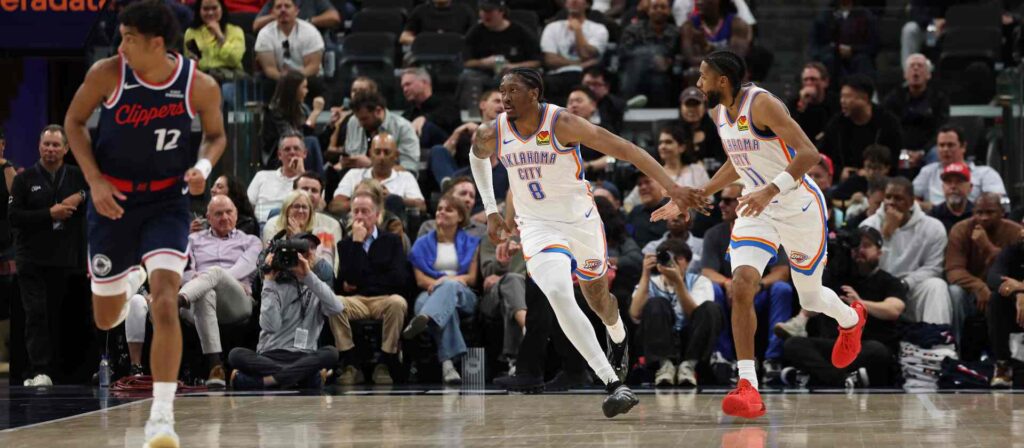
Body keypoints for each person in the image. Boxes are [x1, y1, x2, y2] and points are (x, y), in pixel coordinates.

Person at [470, 67, 708, 417]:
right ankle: (613, 382)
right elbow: (476, 157)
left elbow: (627, 150)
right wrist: (491, 210)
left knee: (598, 299)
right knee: (558, 292)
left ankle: (617, 332)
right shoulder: (492, 131)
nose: (504, 98)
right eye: (501, 91)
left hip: (579, 221)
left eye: (513, 91)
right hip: (537, 225)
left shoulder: (562, 123)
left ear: (534, 93)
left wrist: (673, 188)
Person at [651, 50, 865, 419]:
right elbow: (738, 162)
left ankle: (850, 320)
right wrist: (701, 194)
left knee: (810, 296)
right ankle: (748, 384)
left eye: (703, 76)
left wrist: (771, 189)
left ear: (722, 80)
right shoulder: (720, 112)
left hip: (797, 205)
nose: (698, 83)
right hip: (755, 207)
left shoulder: (762, 104)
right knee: (742, 285)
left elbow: (809, 154)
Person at [63, 1, 226, 445]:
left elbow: (215, 136)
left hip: (166, 201)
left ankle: (162, 416)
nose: (120, 47)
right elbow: (74, 122)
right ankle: (132, 274)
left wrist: (203, 168)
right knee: (106, 318)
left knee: (166, 302)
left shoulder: (199, 84)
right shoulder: (108, 73)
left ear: (156, 44)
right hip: (113, 201)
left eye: (128, 39)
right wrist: (94, 181)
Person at [127, 195, 261, 386]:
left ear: (237, 214)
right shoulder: (192, 240)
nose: (224, 217)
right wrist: (203, 282)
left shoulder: (251, 241)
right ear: (208, 217)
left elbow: (244, 267)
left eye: (229, 212)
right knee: (206, 293)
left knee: (215, 272)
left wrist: (213, 277)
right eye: (218, 214)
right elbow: (184, 272)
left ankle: (176, 302)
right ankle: (215, 368)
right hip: (197, 299)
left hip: (236, 301)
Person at [9, 125, 89, 387]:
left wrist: (80, 195)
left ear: (66, 148)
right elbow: (14, 217)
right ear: (39, 146)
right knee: (36, 314)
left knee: (65, 316)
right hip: (32, 259)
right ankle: (38, 370)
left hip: (68, 259)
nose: (50, 149)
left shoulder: (77, 176)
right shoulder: (24, 179)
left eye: (56, 145)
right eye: (46, 144)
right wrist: (49, 214)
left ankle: (67, 372)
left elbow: (94, 191)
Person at [783, 227, 906, 388]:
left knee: (878, 351)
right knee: (793, 344)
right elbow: (811, 307)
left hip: (865, 345)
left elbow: (894, 310)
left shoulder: (889, 281)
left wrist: (860, 303)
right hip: (833, 345)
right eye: (855, 246)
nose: (860, 251)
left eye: (866, 245)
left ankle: (818, 376)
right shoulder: (837, 277)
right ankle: (845, 380)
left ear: (879, 252)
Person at [228, 234, 342, 389]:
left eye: (310, 250)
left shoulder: (316, 286)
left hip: (304, 356)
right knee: (235, 354)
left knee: (331, 352)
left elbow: (337, 308)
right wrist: (268, 282)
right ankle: (301, 379)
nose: (306, 255)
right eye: (300, 252)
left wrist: (308, 276)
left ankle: (267, 381)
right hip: (270, 356)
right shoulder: (272, 285)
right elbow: (271, 326)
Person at [330, 191, 410, 385]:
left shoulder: (391, 240)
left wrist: (363, 281)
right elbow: (346, 282)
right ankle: (351, 363)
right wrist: (357, 243)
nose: (359, 216)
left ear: (377, 215)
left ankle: (384, 362)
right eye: (356, 211)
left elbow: (398, 278)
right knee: (333, 302)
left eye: (365, 211)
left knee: (398, 302)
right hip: (357, 301)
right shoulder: (345, 244)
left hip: (384, 299)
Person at [403, 193, 481, 385]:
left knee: (448, 287)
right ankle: (448, 365)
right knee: (446, 310)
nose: (441, 212)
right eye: (439, 209)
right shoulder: (422, 243)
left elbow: (471, 278)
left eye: (448, 210)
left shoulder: (471, 242)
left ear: (460, 217)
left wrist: (446, 281)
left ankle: (425, 317)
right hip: (429, 291)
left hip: (463, 293)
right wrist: (438, 285)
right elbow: (420, 279)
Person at [859, 177, 952, 325]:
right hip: (880, 288)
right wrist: (886, 234)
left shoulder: (933, 227)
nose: (891, 202)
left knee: (936, 285)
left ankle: (938, 336)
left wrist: (904, 283)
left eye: (898, 198)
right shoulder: (869, 225)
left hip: (913, 286)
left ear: (911, 201)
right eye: (888, 197)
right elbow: (867, 266)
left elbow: (933, 268)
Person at [631, 238, 721, 386]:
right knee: (656, 303)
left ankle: (689, 367)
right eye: (668, 257)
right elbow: (635, 313)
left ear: (688, 262)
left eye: (678, 258)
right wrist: (645, 274)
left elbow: (697, 316)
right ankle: (664, 366)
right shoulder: (651, 282)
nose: (672, 262)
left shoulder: (700, 281)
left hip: (690, 341)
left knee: (711, 309)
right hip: (659, 342)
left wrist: (678, 282)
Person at [945, 193, 1022, 345]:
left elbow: (1013, 268)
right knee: (954, 292)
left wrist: (987, 247)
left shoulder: (1015, 232)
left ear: (1002, 212)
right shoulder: (961, 230)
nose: (984, 217)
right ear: (973, 213)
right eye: (979, 213)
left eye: (990, 212)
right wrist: (978, 286)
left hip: (1004, 291)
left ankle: (1007, 353)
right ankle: (955, 346)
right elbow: (953, 270)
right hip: (970, 291)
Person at [819, 75, 902, 179]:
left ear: (865, 98)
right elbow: (822, 156)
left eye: (848, 96)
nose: (842, 101)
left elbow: (894, 159)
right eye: (842, 97)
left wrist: (872, 170)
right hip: (844, 181)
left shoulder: (888, 122)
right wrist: (839, 172)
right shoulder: (837, 123)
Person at [329, 132, 425, 215]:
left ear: (396, 155)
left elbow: (422, 206)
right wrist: (364, 199)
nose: (381, 157)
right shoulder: (353, 175)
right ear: (370, 154)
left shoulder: (406, 177)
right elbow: (334, 206)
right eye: (377, 152)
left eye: (387, 152)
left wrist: (392, 199)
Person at [913, 126, 1006, 211]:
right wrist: (931, 208)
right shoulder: (928, 171)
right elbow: (909, 199)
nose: (945, 149)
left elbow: (996, 201)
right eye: (941, 145)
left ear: (963, 147)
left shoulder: (985, 173)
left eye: (950, 145)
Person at [624, 125, 710, 212]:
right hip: (662, 218)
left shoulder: (697, 169)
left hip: (696, 217)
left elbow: (709, 198)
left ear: (682, 147)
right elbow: (628, 202)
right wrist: (635, 215)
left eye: (668, 142)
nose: (663, 146)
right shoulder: (653, 172)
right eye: (660, 143)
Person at [540, 0, 609, 105]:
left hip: (585, 75)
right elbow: (550, 60)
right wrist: (579, 63)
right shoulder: (552, 27)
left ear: (588, 4)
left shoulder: (599, 29)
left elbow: (585, 54)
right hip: (557, 76)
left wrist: (578, 30)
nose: (574, 1)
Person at [882, 54, 949, 153]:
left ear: (928, 75)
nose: (916, 68)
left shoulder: (939, 99)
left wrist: (923, 151)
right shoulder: (893, 98)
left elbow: (941, 130)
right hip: (900, 148)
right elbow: (888, 129)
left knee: (937, 152)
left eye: (920, 66)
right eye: (912, 66)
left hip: (929, 149)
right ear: (905, 74)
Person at [182, 0, 245, 105]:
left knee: (227, 91)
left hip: (229, 78)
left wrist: (219, 35)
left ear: (222, 9)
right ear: (199, 10)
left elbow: (234, 60)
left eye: (214, 8)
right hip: (203, 78)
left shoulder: (235, 31)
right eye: (206, 9)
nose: (210, 13)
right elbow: (191, 63)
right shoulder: (191, 32)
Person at [260, 71, 325, 172]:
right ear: (294, 89)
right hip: (279, 156)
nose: (307, 91)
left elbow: (313, 139)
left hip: (300, 153)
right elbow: (292, 138)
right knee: (311, 142)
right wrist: (315, 114)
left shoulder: (302, 109)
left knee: (313, 142)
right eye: (304, 87)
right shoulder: (274, 111)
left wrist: (331, 127)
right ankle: (319, 179)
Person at [618, 0, 679, 108]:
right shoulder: (633, 29)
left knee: (659, 80)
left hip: (664, 73)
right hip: (635, 70)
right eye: (655, 7)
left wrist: (670, 62)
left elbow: (677, 54)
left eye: (663, 7)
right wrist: (651, 57)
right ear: (648, 11)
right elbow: (624, 51)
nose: (659, 10)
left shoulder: (674, 32)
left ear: (669, 11)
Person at [341, 92, 421, 174]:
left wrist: (372, 165)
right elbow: (348, 153)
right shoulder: (353, 122)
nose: (360, 124)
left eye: (364, 119)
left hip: (392, 179)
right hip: (355, 176)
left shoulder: (403, 128)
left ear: (378, 111)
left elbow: (409, 169)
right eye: (358, 119)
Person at [253, 0, 325, 89]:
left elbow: (313, 67)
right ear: (272, 13)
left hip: (308, 79)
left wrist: (293, 79)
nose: (283, 10)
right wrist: (285, 80)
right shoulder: (264, 34)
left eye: (287, 6)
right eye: (278, 7)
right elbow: (270, 69)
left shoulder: (311, 32)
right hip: (278, 81)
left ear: (296, 11)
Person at [986, 227, 1024, 387]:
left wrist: (1021, 287)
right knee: (996, 299)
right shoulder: (1013, 251)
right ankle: (1003, 364)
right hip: (1017, 309)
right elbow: (993, 277)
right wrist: (1018, 293)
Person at [248, 132, 308, 224]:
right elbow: (247, 206)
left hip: (293, 225)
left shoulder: (311, 181)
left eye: (296, 148)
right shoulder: (262, 176)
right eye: (287, 149)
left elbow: (317, 206)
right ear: (279, 155)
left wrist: (302, 174)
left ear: (304, 153)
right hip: (261, 224)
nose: (292, 152)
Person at [788, 62, 839, 143]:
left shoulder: (836, 102)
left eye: (813, 79)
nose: (809, 83)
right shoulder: (794, 102)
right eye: (805, 80)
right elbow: (790, 132)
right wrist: (802, 106)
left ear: (825, 82)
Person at [400, 0, 476, 46]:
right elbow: (404, 37)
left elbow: (474, 38)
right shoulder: (420, 10)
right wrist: (426, 42)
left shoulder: (465, 11)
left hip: (456, 56)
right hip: (426, 55)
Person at [929, 162, 975, 232]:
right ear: (942, 187)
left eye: (959, 181)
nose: (953, 186)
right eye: (948, 182)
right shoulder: (933, 216)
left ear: (970, 187)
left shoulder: (977, 215)